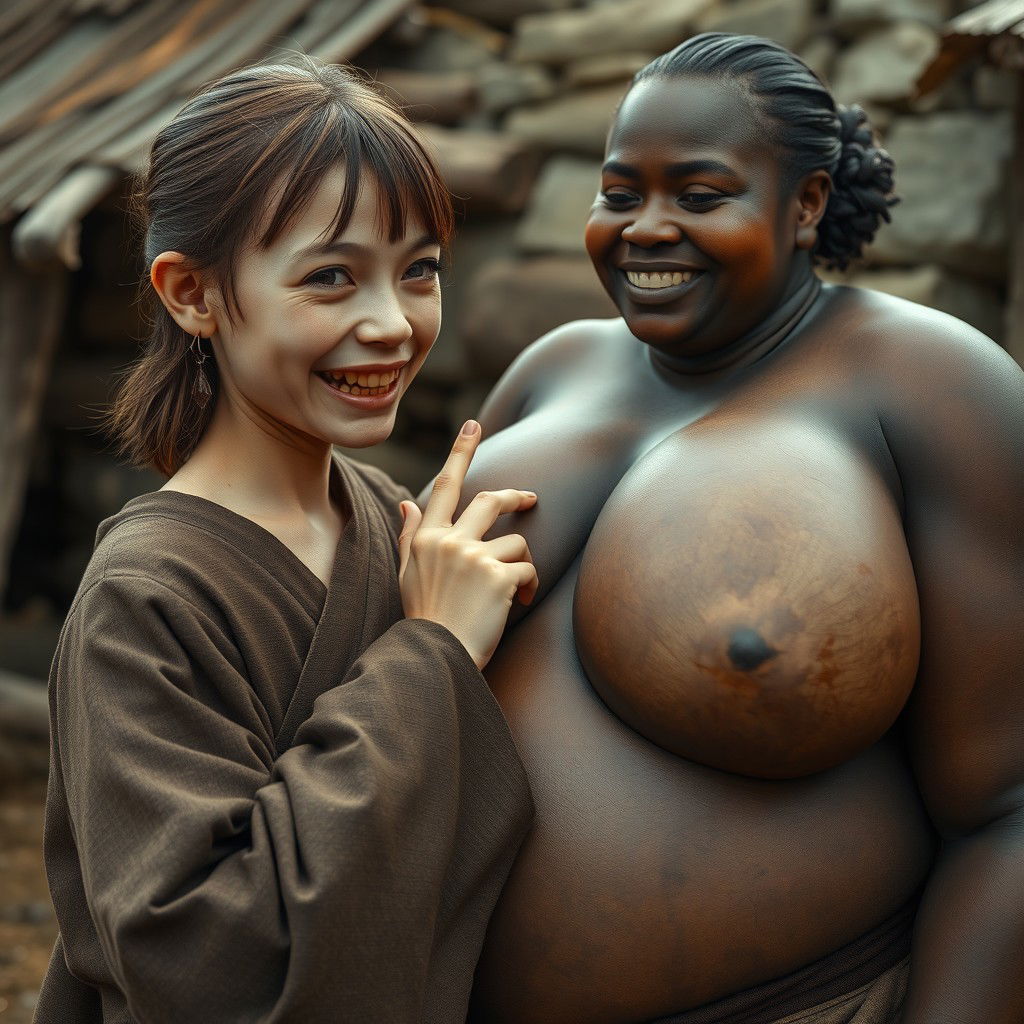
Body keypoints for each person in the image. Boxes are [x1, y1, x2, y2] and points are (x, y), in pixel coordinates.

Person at [459, 33, 1024, 1024]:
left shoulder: (932, 386)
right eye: (619, 191)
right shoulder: (551, 370)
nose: (645, 228)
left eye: (700, 193)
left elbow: (1009, 811)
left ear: (803, 205)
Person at [36, 56, 540, 1023]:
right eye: (330, 277)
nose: (392, 323)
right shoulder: (145, 600)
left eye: (420, 270)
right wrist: (430, 657)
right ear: (192, 294)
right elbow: (208, 961)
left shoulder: (395, 526)